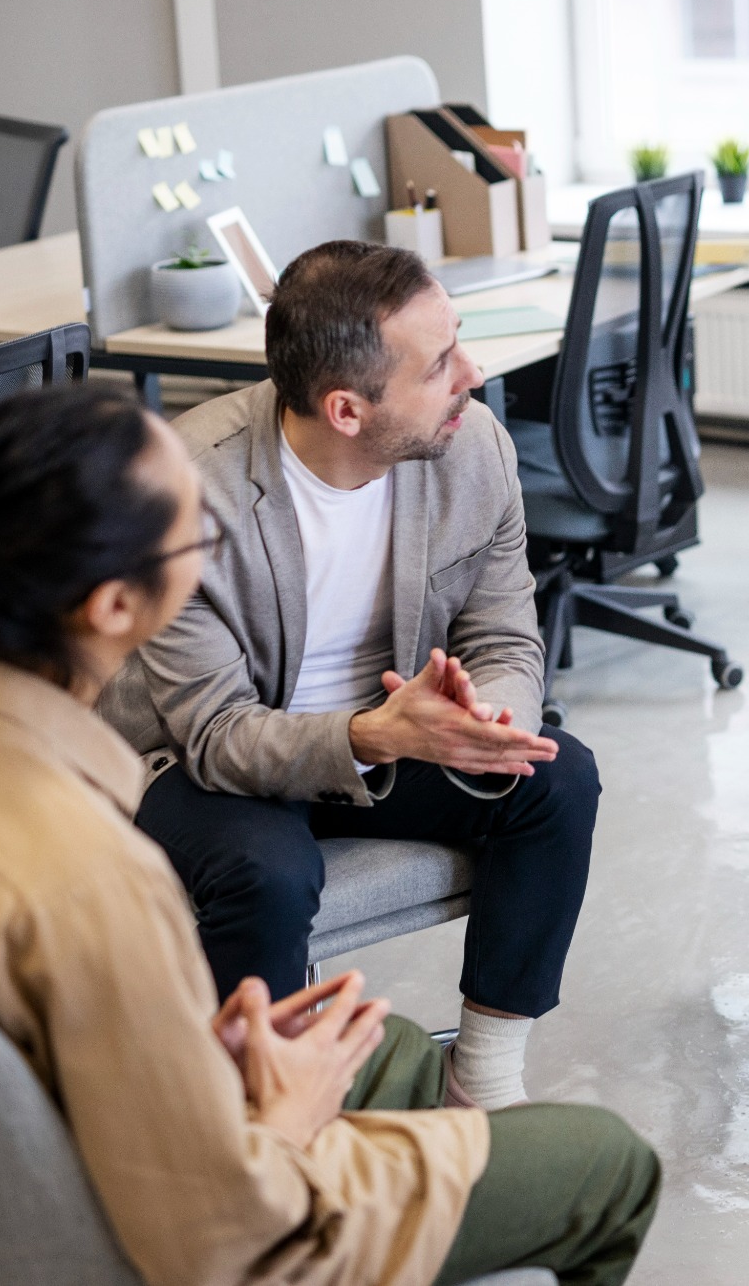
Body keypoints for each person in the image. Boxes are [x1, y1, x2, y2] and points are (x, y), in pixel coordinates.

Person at [0, 384, 658, 1286]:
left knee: (384, 1046)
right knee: (608, 1160)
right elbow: (217, 1235)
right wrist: (286, 1115)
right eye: (198, 538)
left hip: (4, 1163)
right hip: (193, 1226)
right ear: (118, 607)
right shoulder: (93, 876)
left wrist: (200, 1048)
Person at [100, 240, 598, 1109]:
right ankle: (253, 1116)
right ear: (346, 408)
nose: (471, 375)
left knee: (557, 778)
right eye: (440, 364)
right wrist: (374, 734)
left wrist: (490, 718)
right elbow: (216, 733)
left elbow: (508, 635)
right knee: (266, 872)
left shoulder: (471, 449)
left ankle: (480, 1082)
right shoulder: (187, 490)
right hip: (199, 757)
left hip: (388, 732)